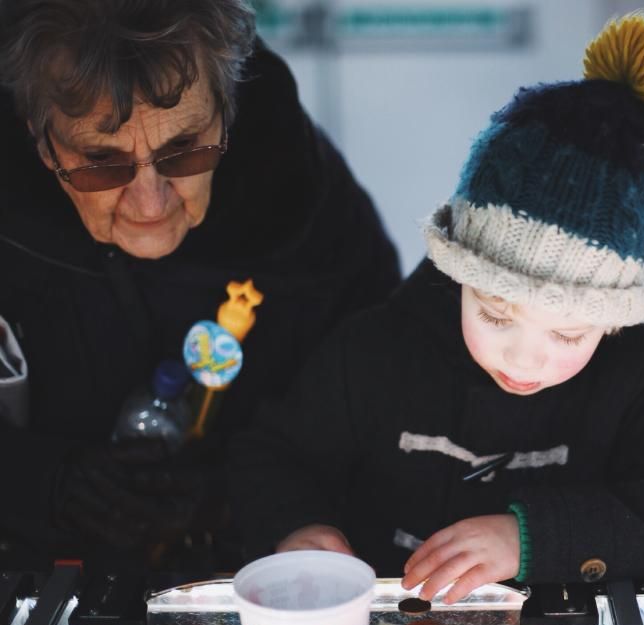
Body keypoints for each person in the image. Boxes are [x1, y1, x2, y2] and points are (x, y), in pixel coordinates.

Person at [230, 15, 644, 601]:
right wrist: (296, 525)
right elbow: (269, 455)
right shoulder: (373, 351)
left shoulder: (635, 377)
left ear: (615, 318)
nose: (526, 358)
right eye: (497, 316)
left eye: (570, 335)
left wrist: (531, 540)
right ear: (460, 275)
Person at [0, 0, 400, 570]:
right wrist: (41, 483)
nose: (150, 202)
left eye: (183, 150)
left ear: (227, 112)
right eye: (100, 163)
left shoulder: (301, 194)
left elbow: (385, 394)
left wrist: (233, 493)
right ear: (39, 141)